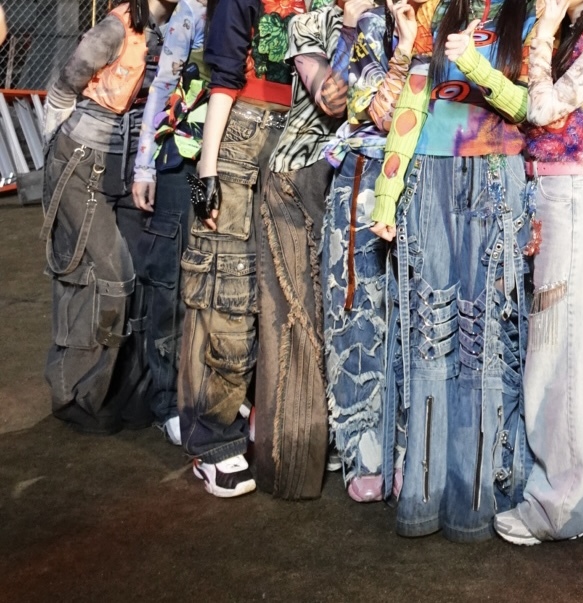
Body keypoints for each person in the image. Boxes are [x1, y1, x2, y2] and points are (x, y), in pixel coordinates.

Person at [368, 0, 537, 542]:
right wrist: (387, 191)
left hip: (496, 176)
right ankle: (423, 496)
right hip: (430, 178)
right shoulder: (438, 14)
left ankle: (473, 501)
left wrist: (476, 66)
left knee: (482, 335)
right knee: (430, 331)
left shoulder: (525, 16)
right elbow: (412, 103)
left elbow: (527, 106)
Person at [491, 0, 583, 545]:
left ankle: (558, 507)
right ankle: (574, 491)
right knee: (561, 351)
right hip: (555, 196)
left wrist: (544, 30)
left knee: (562, 356)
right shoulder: (582, 34)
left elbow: (543, 109)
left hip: (573, 196)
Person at [178, 0, 305, 498]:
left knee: (281, 289)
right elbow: (223, 76)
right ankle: (211, 439)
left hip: (293, 142)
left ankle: (259, 415)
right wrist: (205, 172)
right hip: (233, 140)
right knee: (220, 287)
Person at [41, 0, 176, 435]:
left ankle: (128, 393)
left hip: (134, 169)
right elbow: (64, 88)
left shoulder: (177, 27)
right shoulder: (116, 29)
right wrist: (54, 150)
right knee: (107, 279)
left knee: (140, 279)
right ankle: (78, 394)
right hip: (86, 161)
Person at [249, 0, 355, 500]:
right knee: (294, 317)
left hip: (340, 184)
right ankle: (292, 465)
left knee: (331, 315)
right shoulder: (309, 23)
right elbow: (333, 100)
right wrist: (355, 32)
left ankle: (326, 441)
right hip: (294, 181)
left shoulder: (392, 18)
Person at [322, 0, 417, 503]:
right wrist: (404, 52)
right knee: (359, 315)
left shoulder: (453, 21)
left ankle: (408, 451)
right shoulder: (374, 24)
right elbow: (375, 109)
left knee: (414, 317)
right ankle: (364, 452)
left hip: (425, 177)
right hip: (365, 173)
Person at [130, 0, 208, 446]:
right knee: (172, 275)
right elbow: (162, 87)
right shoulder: (192, 13)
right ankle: (167, 400)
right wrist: (145, 166)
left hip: (220, 166)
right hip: (183, 164)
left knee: (207, 268)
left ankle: (202, 389)